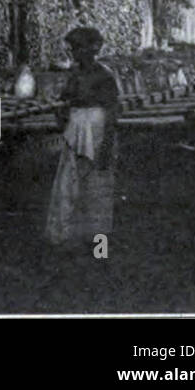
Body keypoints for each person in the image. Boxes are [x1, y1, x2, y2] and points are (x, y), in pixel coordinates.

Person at [46, 25, 120, 249]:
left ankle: (100, 248)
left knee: (98, 189)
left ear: (93, 49)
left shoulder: (104, 76)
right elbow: (65, 102)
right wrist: (60, 112)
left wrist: (106, 147)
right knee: (70, 186)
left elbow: (112, 114)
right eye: (72, 49)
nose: (75, 53)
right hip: (76, 135)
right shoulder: (75, 75)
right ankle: (69, 241)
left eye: (78, 48)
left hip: (97, 134)